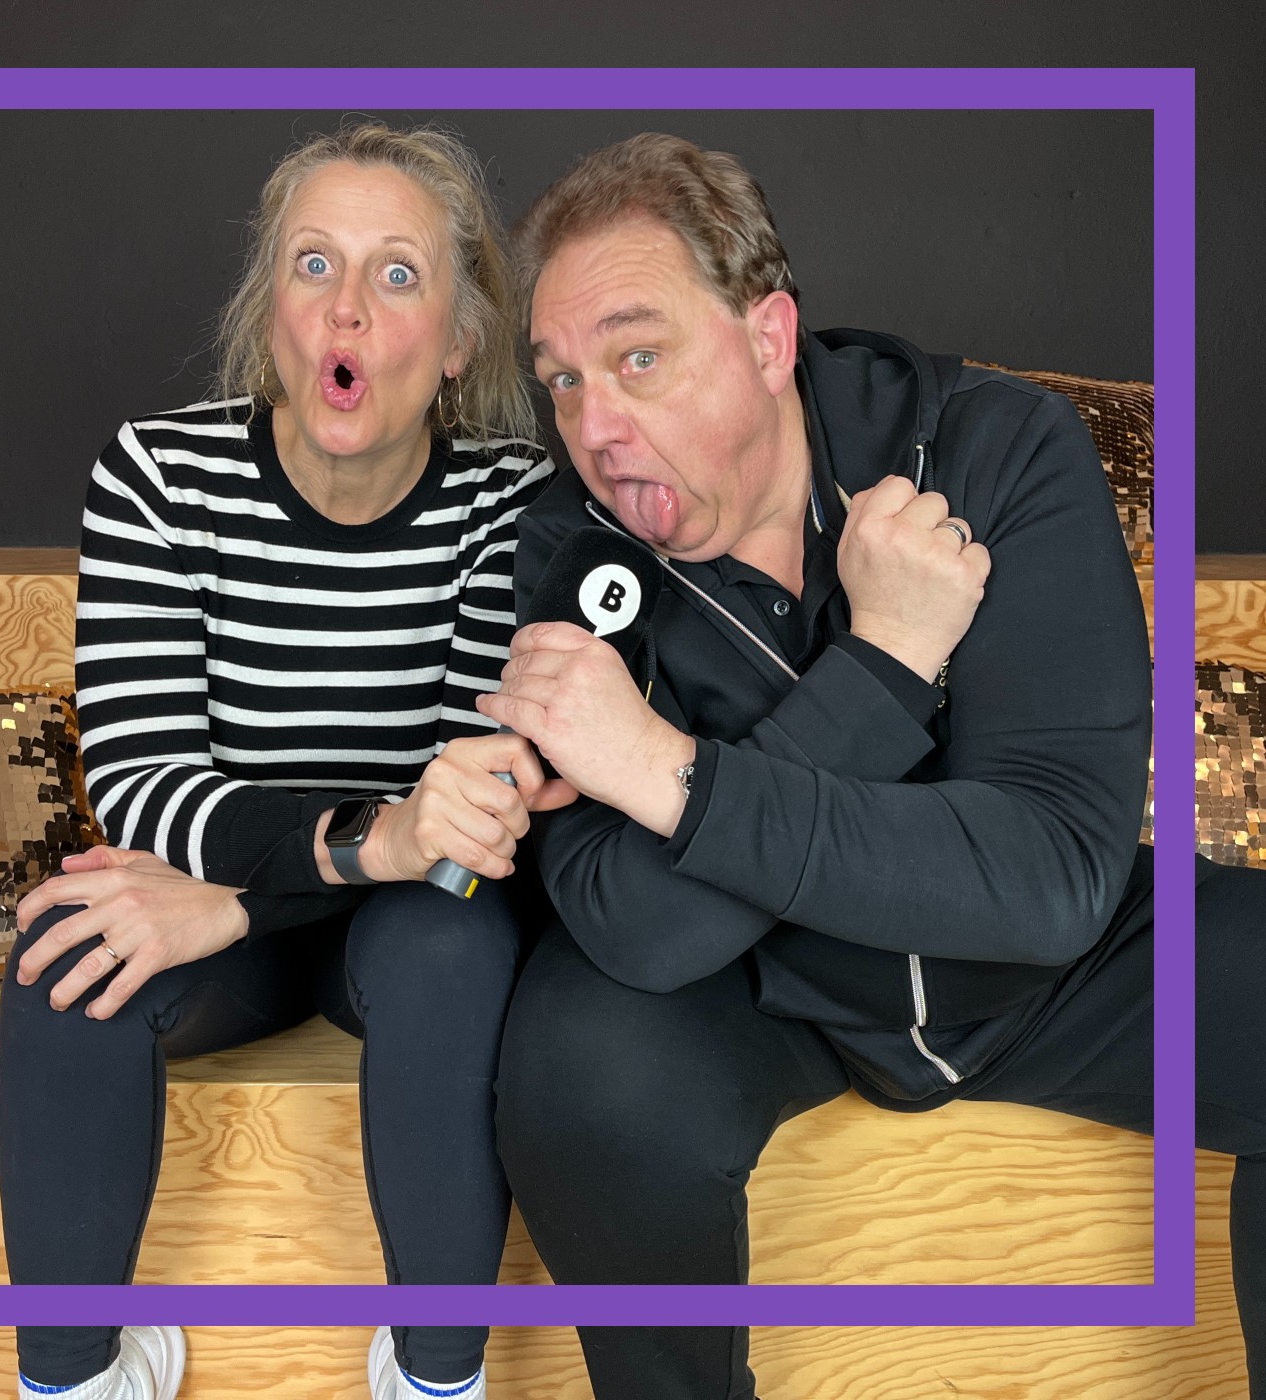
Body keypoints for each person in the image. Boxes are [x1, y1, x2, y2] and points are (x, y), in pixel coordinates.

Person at [481, 132, 1266, 1400]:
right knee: (582, 1068)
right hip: (768, 989)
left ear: (767, 337)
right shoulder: (567, 553)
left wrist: (670, 776)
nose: (595, 427)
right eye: (562, 380)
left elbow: (1049, 878)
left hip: (1048, 977)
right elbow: (632, 922)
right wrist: (888, 663)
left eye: (637, 357)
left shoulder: (992, 448)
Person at [0, 123, 568, 1400]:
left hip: (399, 926)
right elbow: (144, 785)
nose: (345, 306)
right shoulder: (157, 476)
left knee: (451, 937)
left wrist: (244, 890)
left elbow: (463, 816)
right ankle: (72, 1379)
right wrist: (332, 862)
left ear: (459, 340)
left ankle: (436, 1375)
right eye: (314, 264)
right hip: (231, 928)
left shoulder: (509, 500)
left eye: (396, 273)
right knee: (65, 951)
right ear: (271, 309)